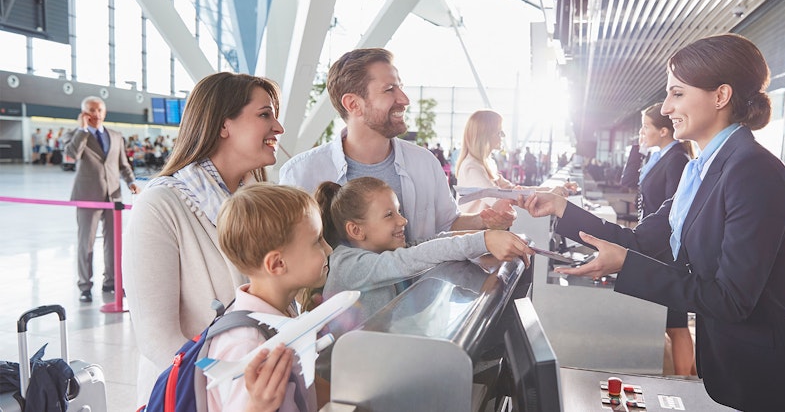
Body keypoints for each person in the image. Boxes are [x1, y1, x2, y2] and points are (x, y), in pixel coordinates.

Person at [520, 34, 785, 411]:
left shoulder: (753, 172)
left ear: (720, 96)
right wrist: (561, 209)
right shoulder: (702, 172)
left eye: (678, 93)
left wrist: (626, 266)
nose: (667, 107)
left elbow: (731, 299)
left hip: (777, 381)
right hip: (732, 371)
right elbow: (640, 241)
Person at [122, 72, 284, 403]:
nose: (278, 128)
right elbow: (158, 339)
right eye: (265, 114)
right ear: (223, 125)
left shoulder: (261, 200)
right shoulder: (161, 204)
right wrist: (231, 390)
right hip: (194, 396)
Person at [279, 48, 513, 242]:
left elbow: (448, 224)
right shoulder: (301, 174)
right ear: (353, 104)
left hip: (421, 297)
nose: (404, 99)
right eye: (390, 89)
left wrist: (484, 220)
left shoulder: (424, 162)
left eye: (400, 87)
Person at [315, 177, 531, 325]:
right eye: (389, 215)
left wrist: (487, 235)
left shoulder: (380, 251)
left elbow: (431, 242)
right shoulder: (347, 264)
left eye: (398, 211)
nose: (403, 220)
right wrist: (484, 240)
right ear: (356, 230)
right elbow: (414, 258)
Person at [210, 183, 331, 412]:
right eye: (317, 240)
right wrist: (257, 407)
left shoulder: (285, 309)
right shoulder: (246, 343)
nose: (328, 249)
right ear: (277, 264)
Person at [619, 102, 696, 376]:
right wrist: (635, 150)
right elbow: (628, 182)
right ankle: (688, 374)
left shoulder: (676, 159)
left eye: (646, 127)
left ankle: (685, 380)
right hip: (652, 246)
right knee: (667, 321)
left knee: (675, 323)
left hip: (665, 251)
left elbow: (675, 210)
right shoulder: (658, 155)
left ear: (664, 131)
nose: (642, 132)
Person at [62, 96, 140, 303]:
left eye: (98, 110)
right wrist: (82, 130)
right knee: (85, 243)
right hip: (88, 196)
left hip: (113, 197)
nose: (95, 114)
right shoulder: (75, 135)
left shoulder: (115, 136)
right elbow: (72, 155)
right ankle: (85, 285)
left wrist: (131, 181)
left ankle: (111, 281)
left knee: (113, 243)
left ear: (104, 112)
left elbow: (123, 164)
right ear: (83, 114)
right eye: (91, 110)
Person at [456, 110, 575, 214]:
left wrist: (551, 189)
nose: (503, 135)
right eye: (499, 132)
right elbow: (498, 199)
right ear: (485, 135)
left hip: (486, 232)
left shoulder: (487, 164)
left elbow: (512, 189)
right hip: (475, 234)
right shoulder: (470, 167)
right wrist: (550, 195)